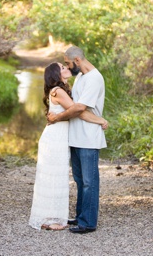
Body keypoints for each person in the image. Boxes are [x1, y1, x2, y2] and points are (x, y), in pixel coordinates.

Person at [29, 62, 108, 231]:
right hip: (55, 138)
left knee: (56, 177)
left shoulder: (62, 89)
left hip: (61, 137)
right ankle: (50, 219)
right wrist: (100, 120)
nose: (67, 68)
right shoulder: (58, 91)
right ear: (56, 75)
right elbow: (77, 111)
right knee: (53, 177)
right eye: (62, 68)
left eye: (66, 66)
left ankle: (51, 218)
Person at [46, 46, 106, 233]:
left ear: (77, 61)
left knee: (90, 181)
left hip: (88, 136)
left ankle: (88, 223)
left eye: (68, 63)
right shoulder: (81, 77)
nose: (67, 67)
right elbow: (72, 105)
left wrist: (57, 117)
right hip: (75, 137)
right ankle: (80, 217)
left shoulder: (94, 79)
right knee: (80, 180)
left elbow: (79, 108)